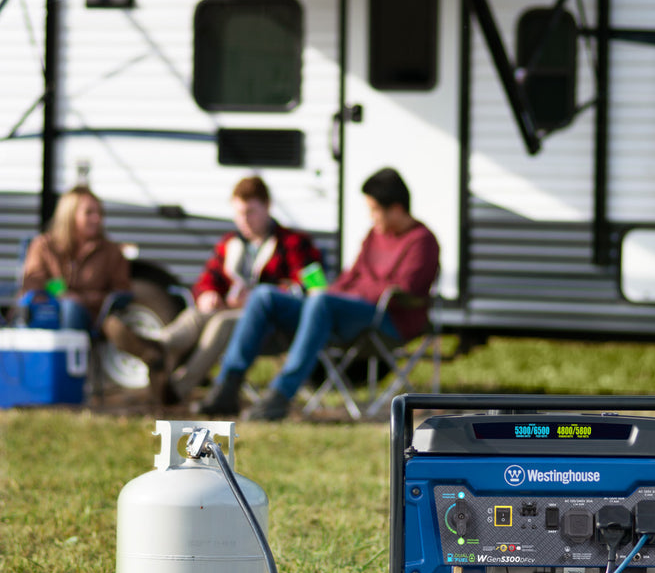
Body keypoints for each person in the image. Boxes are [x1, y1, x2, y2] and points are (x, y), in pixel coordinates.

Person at [197, 167, 439, 421]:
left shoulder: (422, 241)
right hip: (343, 310)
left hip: (388, 320)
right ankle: (228, 385)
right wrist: (330, 291)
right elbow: (351, 275)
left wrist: (341, 294)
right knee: (264, 296)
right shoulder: (374, 235)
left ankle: (280, 394)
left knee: (321, 301)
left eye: (374, 209)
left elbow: (405, 289)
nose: (371, 217)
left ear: (397, 209)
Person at [153, 176, 321, 404]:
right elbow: (207, 280)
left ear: (267, 207)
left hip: (269, 324)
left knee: (220, 324)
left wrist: (260, 296)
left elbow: (315, 288)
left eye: (250, 212)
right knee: (195, 315)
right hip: (227, 308)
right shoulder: (229, 244)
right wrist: (207, 294)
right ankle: (156, 345)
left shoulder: (294, 242)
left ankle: (178, 389)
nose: (244, 220)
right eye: (239, 213)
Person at [20, 185, 166, 392]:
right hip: (47, 314)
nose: (97, 218)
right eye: (89, 212)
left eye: (99, 213)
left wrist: (84, 299)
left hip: (95, 316)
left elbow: (121, 290)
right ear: (69, 215)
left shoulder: (111, 251)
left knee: (88, 314)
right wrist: (62, 294)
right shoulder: (43, 245)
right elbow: (33, 282)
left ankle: (69, 380)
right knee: (69, 306)